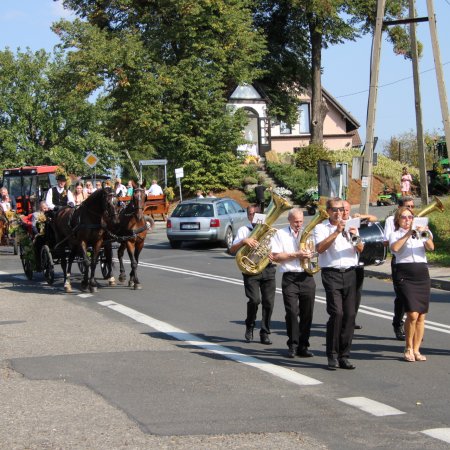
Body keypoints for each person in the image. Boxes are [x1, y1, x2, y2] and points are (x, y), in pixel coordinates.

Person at [314, 197, 364, 370]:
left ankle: (344, 355)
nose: (338, 213)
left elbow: (360, 249)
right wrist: (336, 232)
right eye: (335, 209)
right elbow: (319, 249)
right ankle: (332, 354)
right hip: (332, 274)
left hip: (350, 273)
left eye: (341, 209)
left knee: (350, 315)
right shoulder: (321, 228)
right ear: (328, 211)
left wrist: (354, 235)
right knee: (337, 313)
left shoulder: (351, 225)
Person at [389, 206, 434, 362]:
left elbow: (431, 247)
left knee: (421, 315)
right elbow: (395, 249)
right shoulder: (395, 234)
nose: (407, 220)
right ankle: (408, 347)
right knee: (412, 314)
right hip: (405, 274)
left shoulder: (422, 231)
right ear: (398, 220)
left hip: (421, 273)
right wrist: (408, 234)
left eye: (409, 217)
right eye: (404, 217)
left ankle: (416, 350)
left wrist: (424, 233)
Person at [271, 208, 316, 358]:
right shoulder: (280, 234)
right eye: (296, 221)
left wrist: (310, 255)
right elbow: (276, 256)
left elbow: (316, 252)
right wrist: (296, 254)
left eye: (301, 221)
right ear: (289, 220)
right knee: (291, 312)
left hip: (306, 276)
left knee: (307, 313)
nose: (299, 224)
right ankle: (292, 344)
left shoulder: (308, 233)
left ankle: (304, 345)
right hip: (290, 276)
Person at [229, 205, 276, 345]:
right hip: (250, 270)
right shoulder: (245, 230)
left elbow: (277, 250)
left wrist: (272, 254)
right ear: (248, 216)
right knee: (255, 300)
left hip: (267, 269)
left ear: (261, 215)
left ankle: (265, 332)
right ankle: (250, 325)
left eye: (256, 213)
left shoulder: (269, 230)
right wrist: (244, 241)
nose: (253, 216)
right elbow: (232, 249)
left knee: (269, 303)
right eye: (251, 214)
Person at [383, 196, 416, 341]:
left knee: (415, 299)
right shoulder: (391, 220)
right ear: (399, 208)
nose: (410, 209)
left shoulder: (415, 220)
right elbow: (387, 241)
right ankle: (398, 323)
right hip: (399, 261)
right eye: (407, 206)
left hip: (416, 263)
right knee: (402, 296)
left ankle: (413, 328)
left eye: (412, 207)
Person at [342, 200, 377, 330]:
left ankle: (352, 319)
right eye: (343, 209)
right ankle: (343, 318)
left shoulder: (354, 221)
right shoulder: (336, 224)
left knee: (356, 293)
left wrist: (361, 216)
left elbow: (374, 218)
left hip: (356, 262)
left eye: (347, 209)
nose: (345, 212)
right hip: (342, 263)